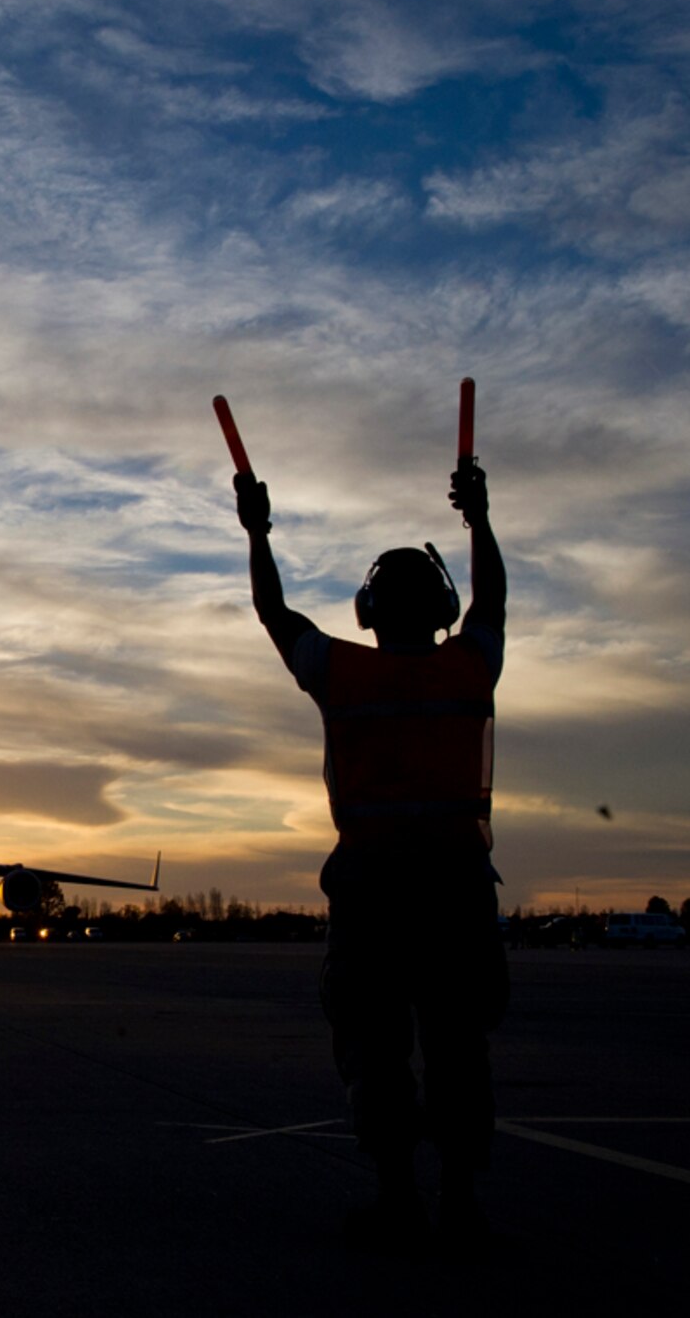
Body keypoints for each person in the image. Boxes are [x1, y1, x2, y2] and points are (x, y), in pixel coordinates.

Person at [232, 454, 507, 1250]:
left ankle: (397, 1198)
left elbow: (272, 610)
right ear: (441, 608)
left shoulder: (342, 673)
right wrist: (479, 517)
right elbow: (493, 600)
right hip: (458, 890)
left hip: (373, 896)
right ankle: (460, 1203)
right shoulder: (470, 666)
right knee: (459, 1048)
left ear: (369, 611)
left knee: (376, 1051)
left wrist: (258, 532)